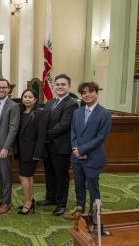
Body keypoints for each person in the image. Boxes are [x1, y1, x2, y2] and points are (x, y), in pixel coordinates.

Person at [64, 82, 111, 220]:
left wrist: (82, 150)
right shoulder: (76, 112)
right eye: (84, 93)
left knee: (92, 186)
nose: (87, 95)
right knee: (78, 184)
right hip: (77, 157)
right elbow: (73, 132)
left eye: (90, 92)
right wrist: (75, 149)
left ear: (96, 93)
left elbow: (101, 137)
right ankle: (79, 208)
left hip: (93, 157)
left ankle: (94, 213)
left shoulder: (105, 114)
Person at [37, 74, 79, 216]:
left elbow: (64, 125)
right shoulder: (50, 102)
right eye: (58, 84)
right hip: (48, 146)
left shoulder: (71, 103)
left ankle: (61, 204)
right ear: (54, 86)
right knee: (49, 174)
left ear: (69, 87)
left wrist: (45, 135)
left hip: (61, 147)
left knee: (61, 176)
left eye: (63, 84)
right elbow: (43, 121)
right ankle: (50, 198)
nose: (60, 87)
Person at [0, 79, 20, 215]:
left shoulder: (13, 106)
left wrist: (6, 147)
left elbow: (13, 129)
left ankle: (6, 202)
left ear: (8, 89)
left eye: (4, 87)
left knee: (6, 175)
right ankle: (2, 197)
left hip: (4, 147)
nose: (1, 90)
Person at [16, 89, 47, 215]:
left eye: (30, 97)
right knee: (28, 177)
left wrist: (37, 153)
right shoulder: (20, 112)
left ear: (35, 100)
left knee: (23, 176)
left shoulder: (39, 113)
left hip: (32, 152)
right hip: (21, 150)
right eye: (25, 96)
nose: (27, 99)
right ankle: (29, 200)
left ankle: (27, 202)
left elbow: (41, 135)